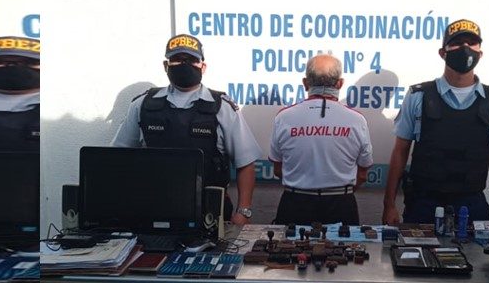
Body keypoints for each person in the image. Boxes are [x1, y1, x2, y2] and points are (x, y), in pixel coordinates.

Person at [112, 34, 261, 225]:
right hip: (152, 211)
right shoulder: (142, 105)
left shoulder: (222, 108)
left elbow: (245, 163)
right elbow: (118, 158)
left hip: (210, 214)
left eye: (191, 60)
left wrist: (243, 212)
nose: (184, 64)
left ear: (203, 67)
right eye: (177, 59)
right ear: (166, 66)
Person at [382, 19, 489, 225]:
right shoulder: (418, 96)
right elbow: (400, 151)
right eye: (457, 43)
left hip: (472, 204)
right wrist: (389, 205)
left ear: (480, 53)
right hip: (424, 204)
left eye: (471, 43)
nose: (465, 48)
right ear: (442, 52)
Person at [269, 54, 373, 225]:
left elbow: (278, 169)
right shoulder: (357, 120)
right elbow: (362, 174)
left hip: (295, 203)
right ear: (340, 83)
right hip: (341, 204)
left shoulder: (284, 117)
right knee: (344, 244)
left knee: (289, 244)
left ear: (305, 83)